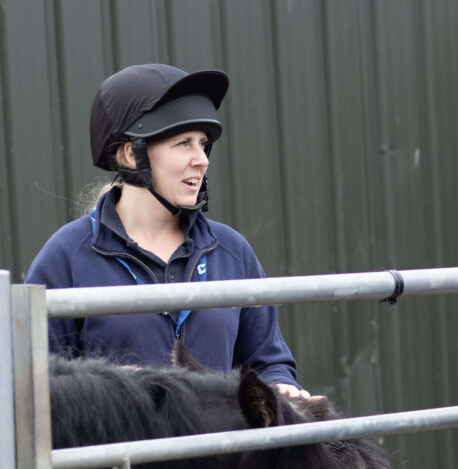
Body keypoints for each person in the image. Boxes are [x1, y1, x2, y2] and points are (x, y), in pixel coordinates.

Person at [26, 63, 310, 399]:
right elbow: (33, 382)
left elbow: (269, 361)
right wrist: (112, 389)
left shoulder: (231, 250)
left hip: (218, 451)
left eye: (203, 144)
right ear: (132, 154)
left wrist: (283, 387)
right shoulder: (66, 256)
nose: (201, 159)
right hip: (121, 452)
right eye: (183, 143)